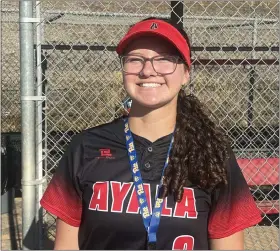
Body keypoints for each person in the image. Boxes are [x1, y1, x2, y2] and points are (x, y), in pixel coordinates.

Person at [40, 17, 262, 250]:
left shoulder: (211, 153)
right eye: (136, 60)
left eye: (164, 60)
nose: (148, 70)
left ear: (186, 72)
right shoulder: (86, 147)